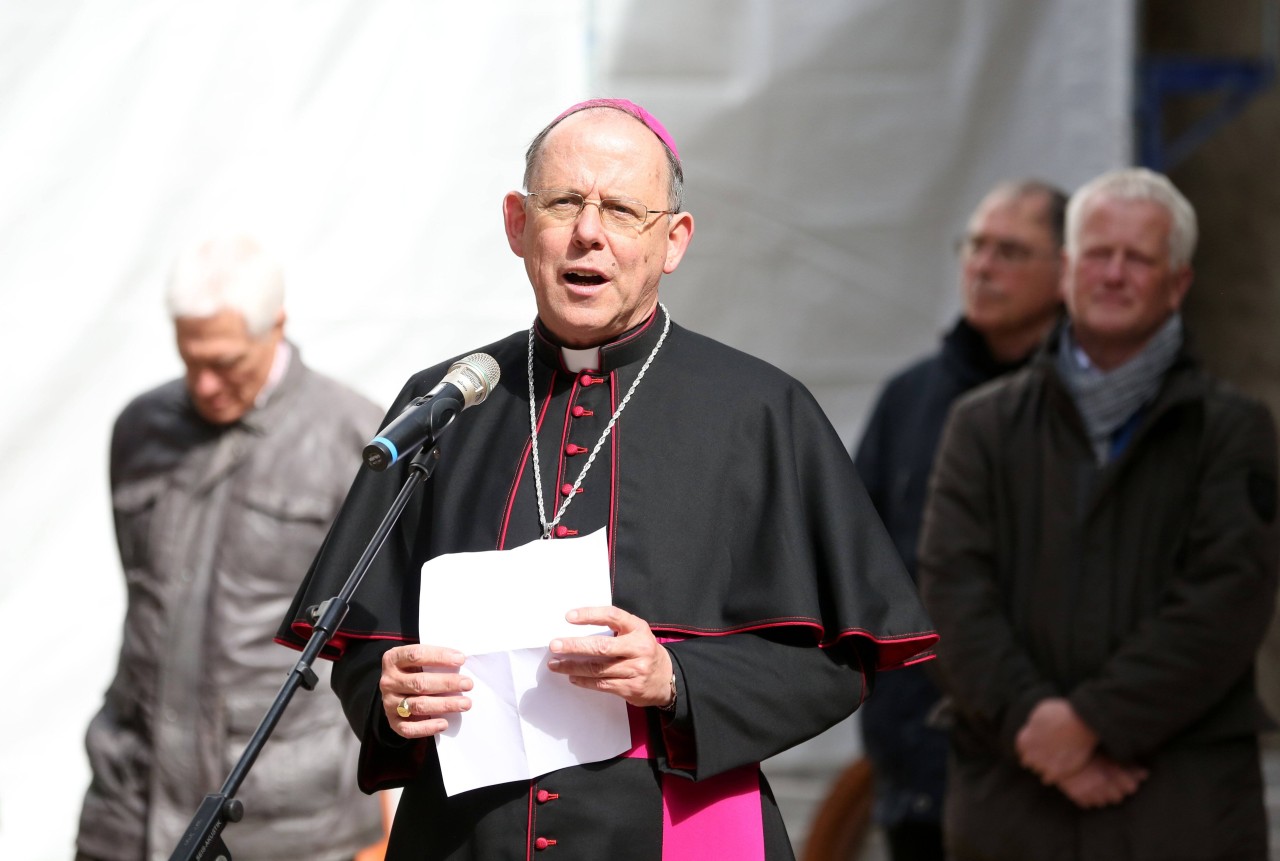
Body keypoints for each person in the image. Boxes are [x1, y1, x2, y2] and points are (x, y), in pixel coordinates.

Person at [275, 98, 937, 860]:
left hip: (674, 833)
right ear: (517, 225)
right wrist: (387, 693)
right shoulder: (449, 401)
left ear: (673, 241)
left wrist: (674, 676)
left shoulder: (758, 410)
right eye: (564, 203)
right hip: (466, 840)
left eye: (622, 209)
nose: (589, 231)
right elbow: (359, 637)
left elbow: (835, 666)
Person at [918, 167, 1279, 860]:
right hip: (1013, 806)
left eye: (1138, 258)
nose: (1114, 274)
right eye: (1097, 254)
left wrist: (1088, 724)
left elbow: (1226, 601)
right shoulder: (982, 426)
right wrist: (1033, 723)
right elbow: (950, 591)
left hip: (1181, 809)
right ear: (1065, 272)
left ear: (1177, 284)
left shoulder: (1232, 429)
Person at [75, 236, 386, 861]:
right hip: (128, 806)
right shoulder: (139, 429)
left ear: (277, 325)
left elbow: (379, 641)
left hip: (288, 820)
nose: (206, 383)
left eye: (226, 363)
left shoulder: (357, 439)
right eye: (191, 361)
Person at [853, 179, 1066, 860]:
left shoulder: (1092, 405)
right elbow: (859, 563)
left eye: (1011, 250)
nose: (983, 265)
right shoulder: (910, 399)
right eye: (975, 245)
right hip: (919, 766)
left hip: (1053, 766)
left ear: (1066, 270)